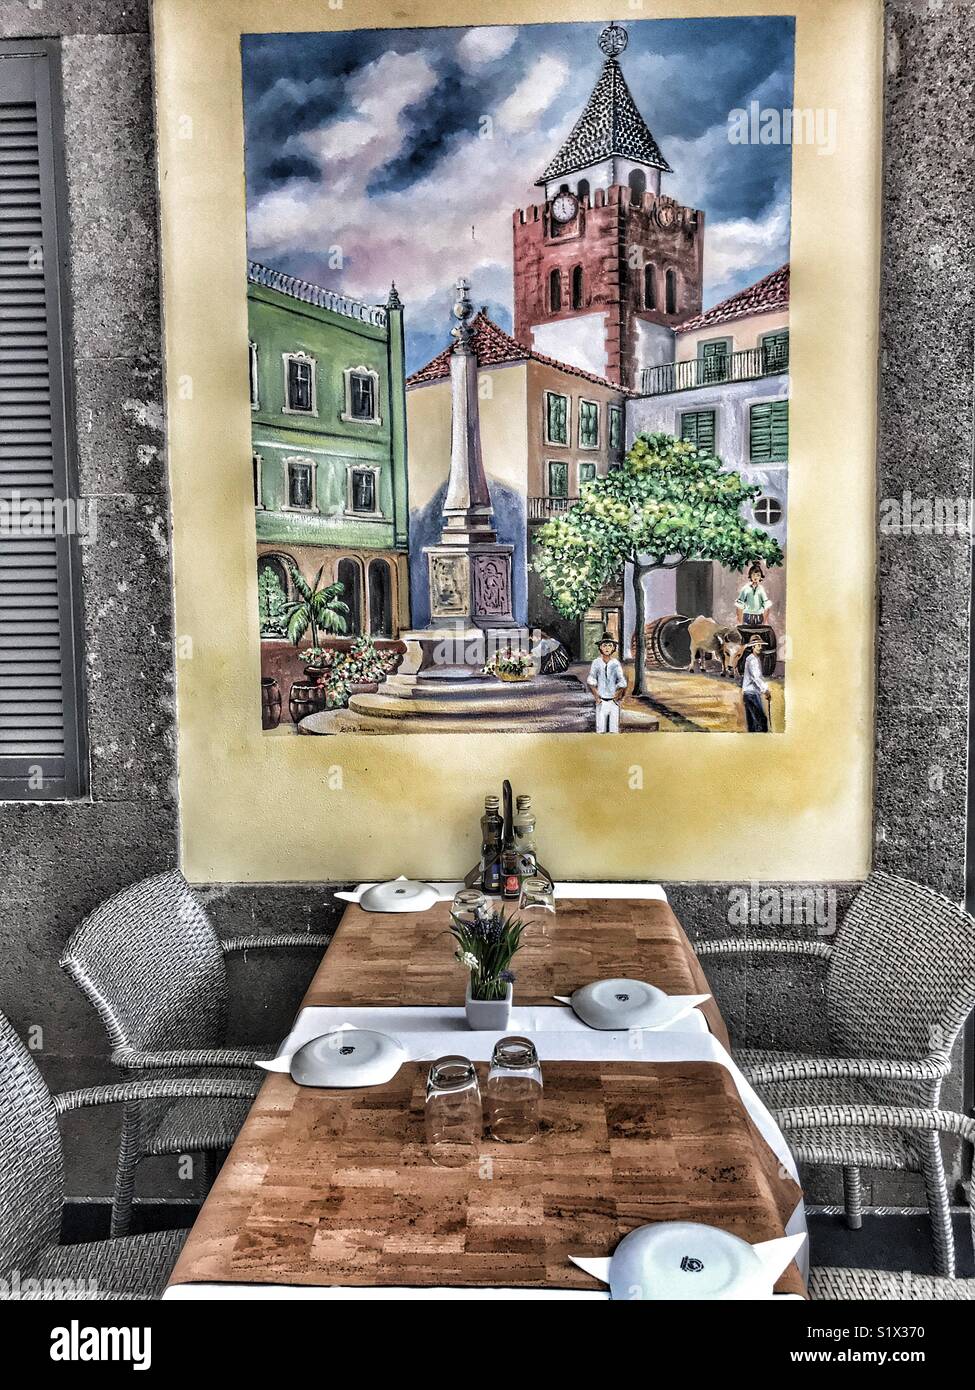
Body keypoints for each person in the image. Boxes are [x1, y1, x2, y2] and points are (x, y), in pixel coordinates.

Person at [587, 634, 627, 734]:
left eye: (609, 645)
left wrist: (617, 695)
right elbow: (591, 680)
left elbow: (622, 682)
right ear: (600, 647)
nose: (607, 648)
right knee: (600, 730)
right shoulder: (596, 662)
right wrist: (596, 696)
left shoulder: (615, 663)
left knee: (614, 731)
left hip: (613, 702)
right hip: (601, 701)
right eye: (604, 645)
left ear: (613, 648)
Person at [741, 635, 771, 732]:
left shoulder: (751, 658)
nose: (760, 647)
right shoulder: (753, 660)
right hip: (752, 694)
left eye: (760, 645)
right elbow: (756, 677)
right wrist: (765, 690)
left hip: (748, 693)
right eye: (758, 645)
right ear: (753, 647)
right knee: (761, 720)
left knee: (752, 722)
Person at [736, 562, 773, 628]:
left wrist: (765, 621)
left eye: (758, 575)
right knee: (747, 633)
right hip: (747, 616)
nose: (756, 577)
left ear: (761, 577)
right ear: (750, 576)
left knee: (758, 633)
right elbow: (739, 605)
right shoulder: (745, 588)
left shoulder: (761, 589)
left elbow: (766, 605)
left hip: (759, 616)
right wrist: (740, 621)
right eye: (754, 575)